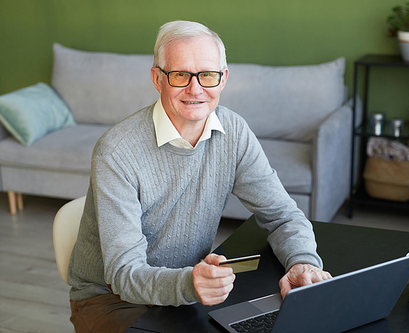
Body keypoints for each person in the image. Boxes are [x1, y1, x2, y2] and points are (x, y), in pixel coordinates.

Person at [67, 20, 332, 333]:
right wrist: (191, 284)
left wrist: (303, 262)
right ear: (157, 78)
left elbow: (283, 216)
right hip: (111, 298)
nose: (196, 89)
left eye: (207, 75)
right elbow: (124, 274)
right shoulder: (116, 152)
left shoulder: (233, 133)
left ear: (223, 80)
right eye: (180, 75)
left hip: (189, 287)